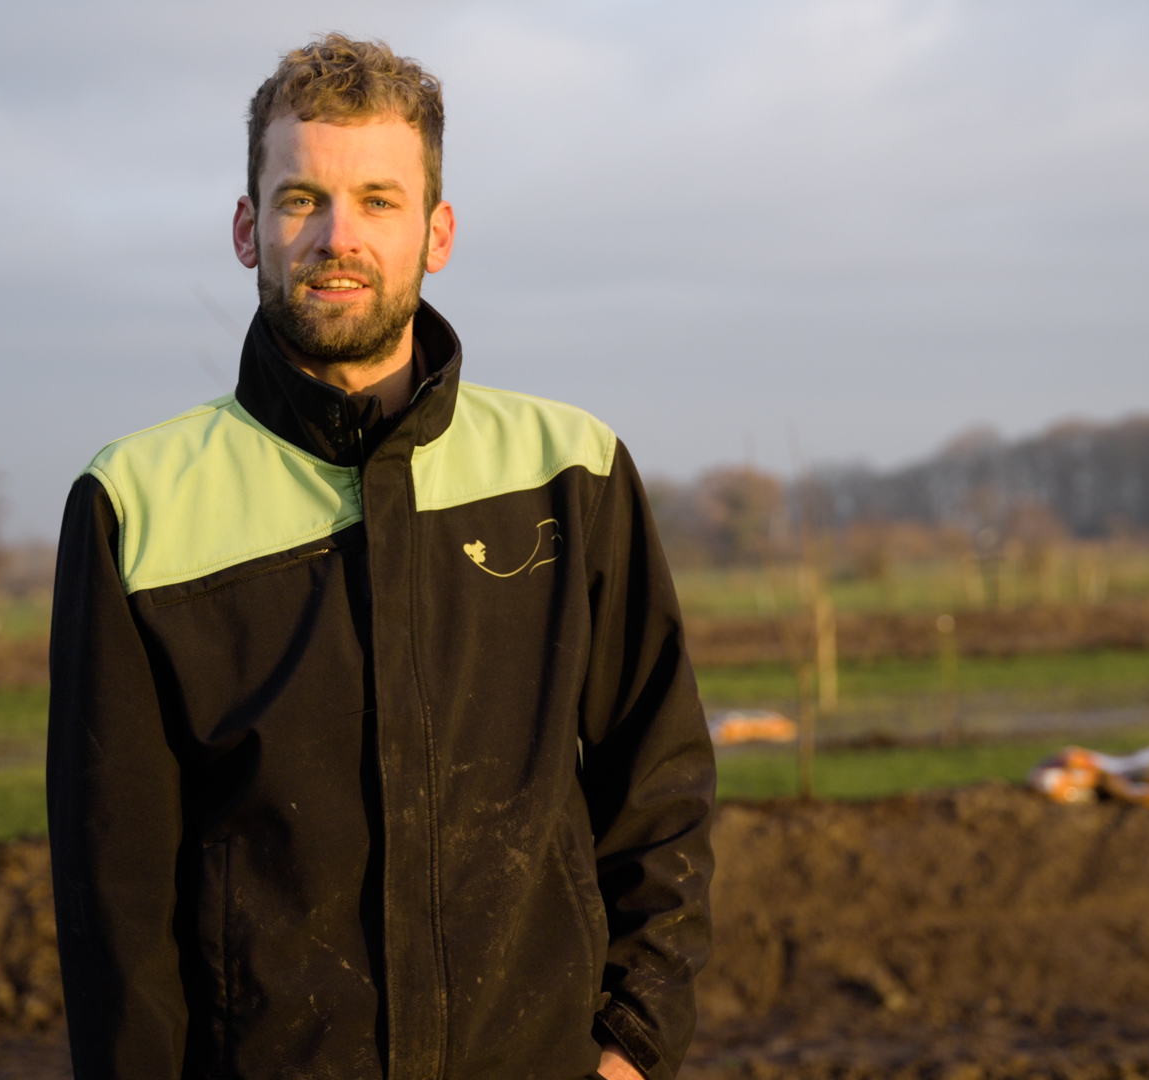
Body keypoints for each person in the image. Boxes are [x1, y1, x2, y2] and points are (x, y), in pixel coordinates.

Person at [47, 34, 715, 1080]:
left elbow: (660, 781)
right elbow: (115, 897)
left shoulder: (570, 471)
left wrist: (635, 1040)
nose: (337, 236)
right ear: (246, 227)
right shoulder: (135, 505)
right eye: (301, 198)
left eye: (379, 199)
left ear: (437, 232)